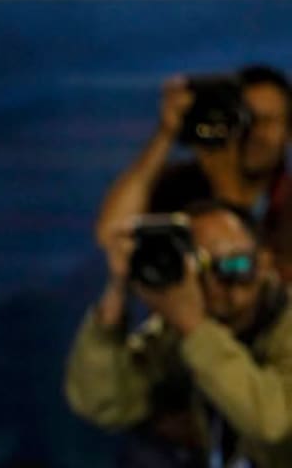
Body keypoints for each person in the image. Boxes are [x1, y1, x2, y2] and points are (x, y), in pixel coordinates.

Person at [65, 200, 292, 467]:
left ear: (264, 261)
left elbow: (274, 422)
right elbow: (104, 403)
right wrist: (116, 292)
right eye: (202, 266)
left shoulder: (201, 328)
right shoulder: (180, 331)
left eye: (236, 264)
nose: (220, 282)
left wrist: (194, 327)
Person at [97, 68, 292, 275]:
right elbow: (112, 233)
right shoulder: (180, 186)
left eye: (268, 121)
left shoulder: (288, 201)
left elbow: (262, 277)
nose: (253, 133)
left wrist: (226, 188)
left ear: (289, 130)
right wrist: (166, 132)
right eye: (246, 118)